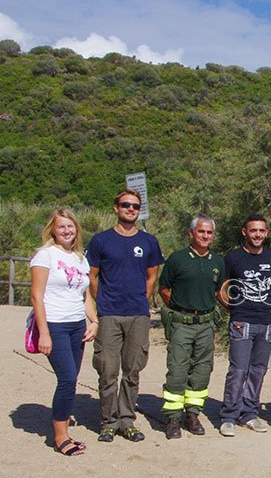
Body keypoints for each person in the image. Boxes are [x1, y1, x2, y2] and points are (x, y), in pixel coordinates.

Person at [87, 189, 163, 443]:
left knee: (133, 370)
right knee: (108, 370)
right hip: (109, 314)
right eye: (126, 205)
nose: (131, 209)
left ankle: (126, 420)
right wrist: (103, 301)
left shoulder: (149, 242)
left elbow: (152, 275)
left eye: (135, 206)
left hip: (138, 315)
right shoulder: (101, 241)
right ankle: (108, 422)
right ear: (115, 207)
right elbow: (92, 276)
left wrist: (141, 298)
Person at [30, 208, 98, 456]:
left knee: (71, 378)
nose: (67, 231)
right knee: (68, 379)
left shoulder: (80, 258)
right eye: (61, 227)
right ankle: (60, 436)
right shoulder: (45, 256)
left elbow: (85, 296)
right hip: (55, 324)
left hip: (76, 325)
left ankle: (64, 426)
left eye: (71, 226)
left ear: (76, 229)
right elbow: (37, 296)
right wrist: (44, 333)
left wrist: (94, 321)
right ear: (53, 230)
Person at [158, 215, 226, 439]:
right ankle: (173, 418)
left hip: (206, 325)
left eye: (209, 233)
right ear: (191, 234)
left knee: (202, 371)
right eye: (201, 232)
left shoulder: (217, 261)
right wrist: (181, 309)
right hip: (182, 324)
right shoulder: (177, 259)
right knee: (177, 370)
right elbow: (164, 289)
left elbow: (219, 293)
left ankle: (192, 414)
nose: (205, 236)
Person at [217, 214, 271, 437]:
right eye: (254, 230)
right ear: (245, 232)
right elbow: (222, 290)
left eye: (262, 231)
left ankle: (250, 413)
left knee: (258, 371)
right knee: (238, 370)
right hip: (242, 322)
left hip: (266, 322)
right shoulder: (233, 258)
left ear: (267, 233)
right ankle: (229, 416)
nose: (258, 235)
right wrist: (234, 310)